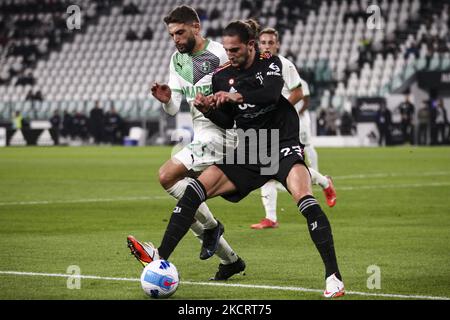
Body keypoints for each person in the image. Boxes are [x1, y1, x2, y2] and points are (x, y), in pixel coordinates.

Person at [128, 20, 344, 298]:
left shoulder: (271, 63)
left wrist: (233, 96)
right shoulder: (221, 75)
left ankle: (333, 277)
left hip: (280, 143)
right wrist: (208, 110)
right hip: (249, 149)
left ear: (251, 46)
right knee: (194, 190)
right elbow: (229, 122)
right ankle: (160, 259)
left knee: (304, 199)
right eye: (227, 50)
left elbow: (268, 95)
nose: (229, 55)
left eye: (235, 49)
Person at [127, 5, 245, 281]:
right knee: (186, 199)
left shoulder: (219, 54)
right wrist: (167, 99)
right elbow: (174, 108)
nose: (176, 39)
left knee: (167, 175)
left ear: (196, 27)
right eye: (171, 35)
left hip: (225, 134)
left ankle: (210, 230)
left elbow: (236, 94)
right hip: (201, 134)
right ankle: (231, 260)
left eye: (180, 32)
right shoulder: (176, 61)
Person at [251, 27, 337, 230]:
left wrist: (280, 110)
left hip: (284, 126)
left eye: (270, 42)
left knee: (288, 168)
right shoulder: (254, 66)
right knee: (267, 171)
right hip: (264, 126)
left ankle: (324, 182)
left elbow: (298, 93)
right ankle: (271, 218)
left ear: (277, 44)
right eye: (262, 42)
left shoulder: (284, 64)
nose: (266, 46)